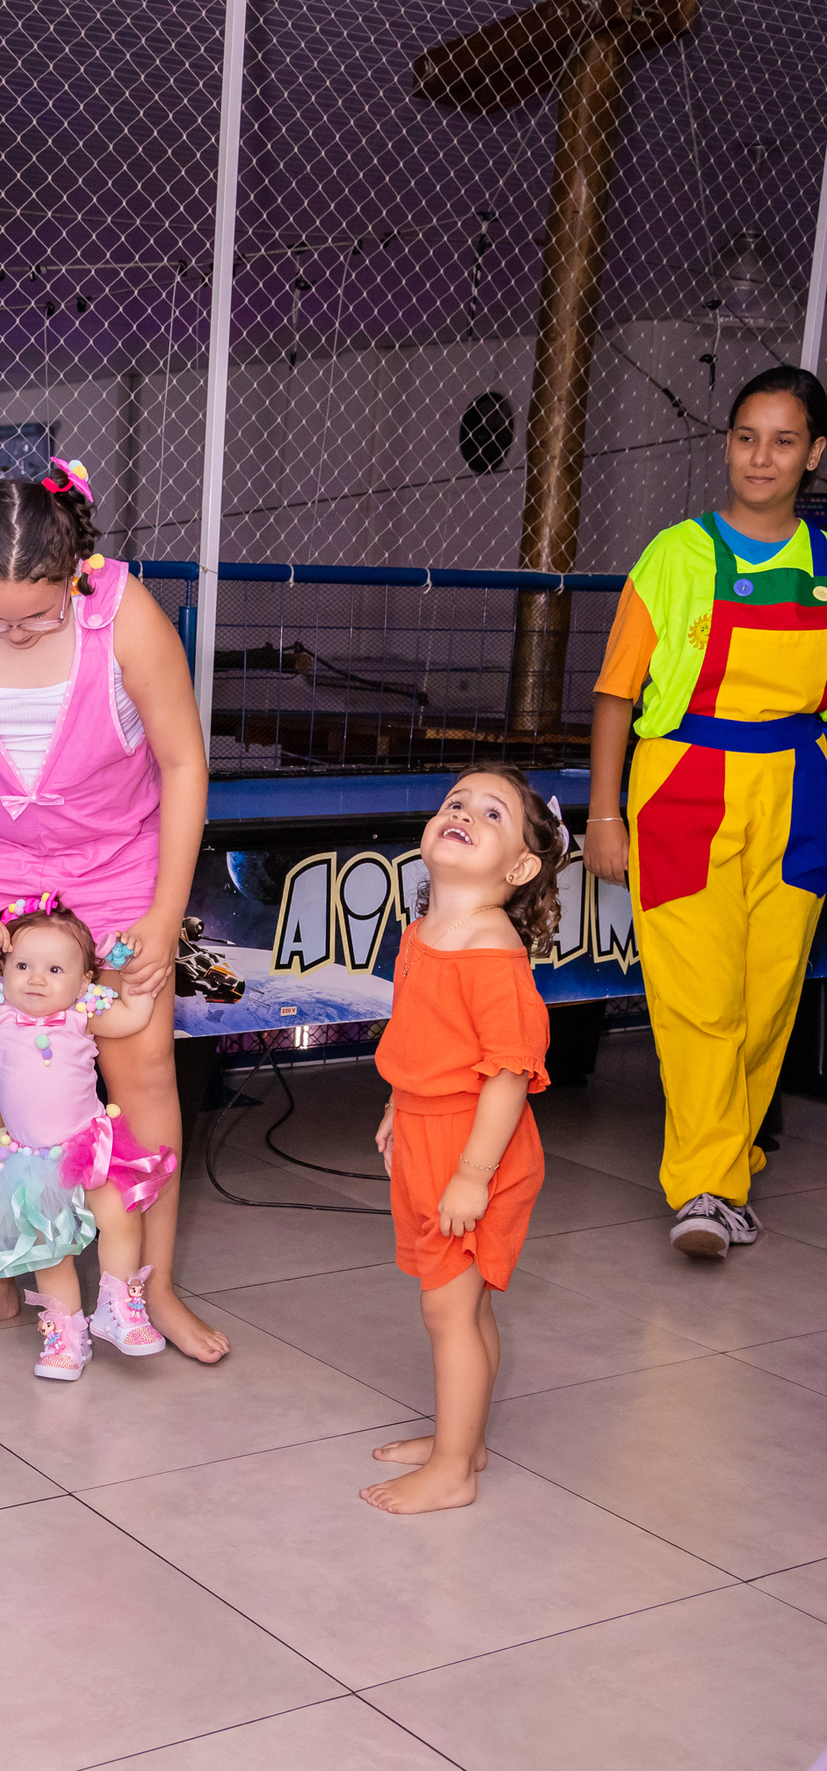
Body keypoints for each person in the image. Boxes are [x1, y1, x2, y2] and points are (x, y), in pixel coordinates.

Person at [0, 454, 229, 1362]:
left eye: (41, 612)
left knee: (141, 1067)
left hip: (118, 868)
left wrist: (163, 912)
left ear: (76, 573)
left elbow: (185, 764)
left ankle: (152, 1292)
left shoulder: (127, 617)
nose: (19, 629)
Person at [585, 366, 827, 1259]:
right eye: (745, 437)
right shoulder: (674, 555)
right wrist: (603, 813)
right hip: (685, 784)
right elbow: (617, 693)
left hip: (801, 791)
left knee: (768, 1001)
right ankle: (706, 1190)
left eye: (783, 440)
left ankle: (729, 1159)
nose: (760, 457)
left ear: (815, 454)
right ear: (726, 443)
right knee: (698, 1001)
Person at [361, 764, 565, 1514]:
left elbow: (510, 1071)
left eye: (491, 814)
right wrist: (397, 1098)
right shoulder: (427, 931)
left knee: (447, 1311)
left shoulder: (489, 947)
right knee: (464, 1306)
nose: (465, 814)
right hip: (426, 1127)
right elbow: (423, 1033)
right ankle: (465, 1437)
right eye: (456, 803)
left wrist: (473, 1174)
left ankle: (453, 1469)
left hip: (475, 1147)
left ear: (518, 868)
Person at [0, 898, 175, 1381]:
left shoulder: (83, 1012)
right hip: (30, 1162)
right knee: (48, 1250)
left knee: (119, 1214)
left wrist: (127, 970)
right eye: (22, 965)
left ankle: (119, 1305)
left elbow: (132, 1015)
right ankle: (66, 1336)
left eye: (55, 968)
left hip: (90, 1144)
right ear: (2, 972)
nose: (36, 979)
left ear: (83, 981)